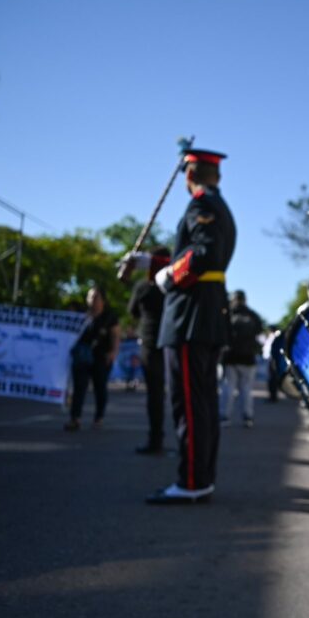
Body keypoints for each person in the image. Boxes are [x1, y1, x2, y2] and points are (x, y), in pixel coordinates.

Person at [125, 148, 236, 505]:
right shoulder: (218, 205)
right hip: (205, 313)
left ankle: (191, 481)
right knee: (202, 404)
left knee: (188, 403)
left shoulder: (201, 204)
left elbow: (203, 254)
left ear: (189, 175)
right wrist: (153, 261)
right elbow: (199, 252)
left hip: (190, 315)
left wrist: (169, 275)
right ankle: (200, 477)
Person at [127, 245, 172, 454]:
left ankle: (156, 439)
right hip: (170, 342)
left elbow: (133, 311)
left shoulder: (143, 287)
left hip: (150, 343)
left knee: (155, 394)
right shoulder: (173, 287)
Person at [65, 286, 120, 431]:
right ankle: (75, 418)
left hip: (101, 357)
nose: (92, 300)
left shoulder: (109, 317)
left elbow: (115, 335)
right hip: (82, 357)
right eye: (90, 297)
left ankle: (99, 417)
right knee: (79, 388)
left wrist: (113, 352)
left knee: (100, 388)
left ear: (103, 300)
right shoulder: (81, 316)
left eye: (96, 297)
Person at [220, 289, 264, 428]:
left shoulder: (228, 314)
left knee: (228, 388)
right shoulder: (252, 315)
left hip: (231, 357)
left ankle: (225, 416)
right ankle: (247, 417)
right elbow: (259, 331)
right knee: (246, 389)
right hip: (248, 357)